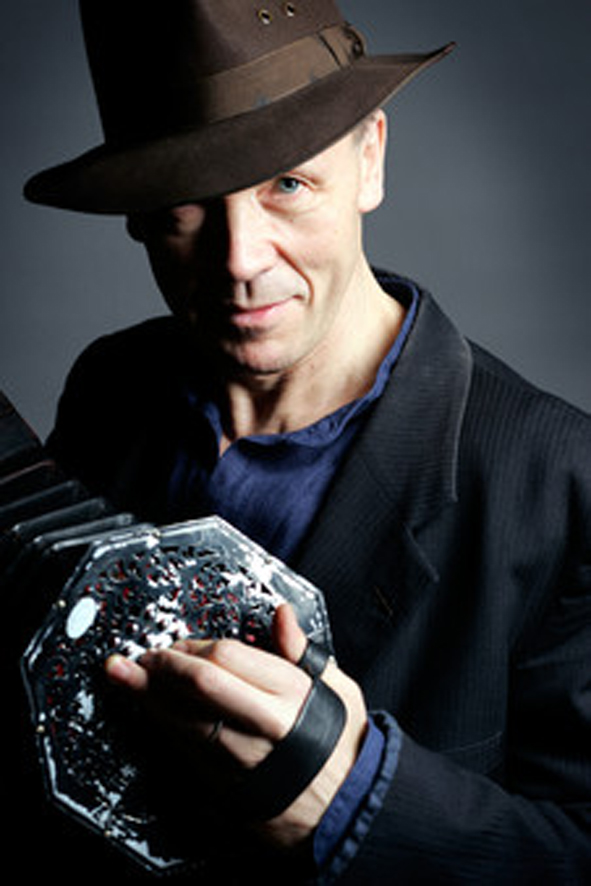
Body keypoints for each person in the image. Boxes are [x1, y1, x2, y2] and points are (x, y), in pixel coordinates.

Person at [14, 0, 591, 882]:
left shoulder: (556, 482)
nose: (240, 260)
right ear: (137, 215)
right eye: (183, 204)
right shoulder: (112, 387)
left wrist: (353, 801)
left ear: (369, 158)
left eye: (286, 184)